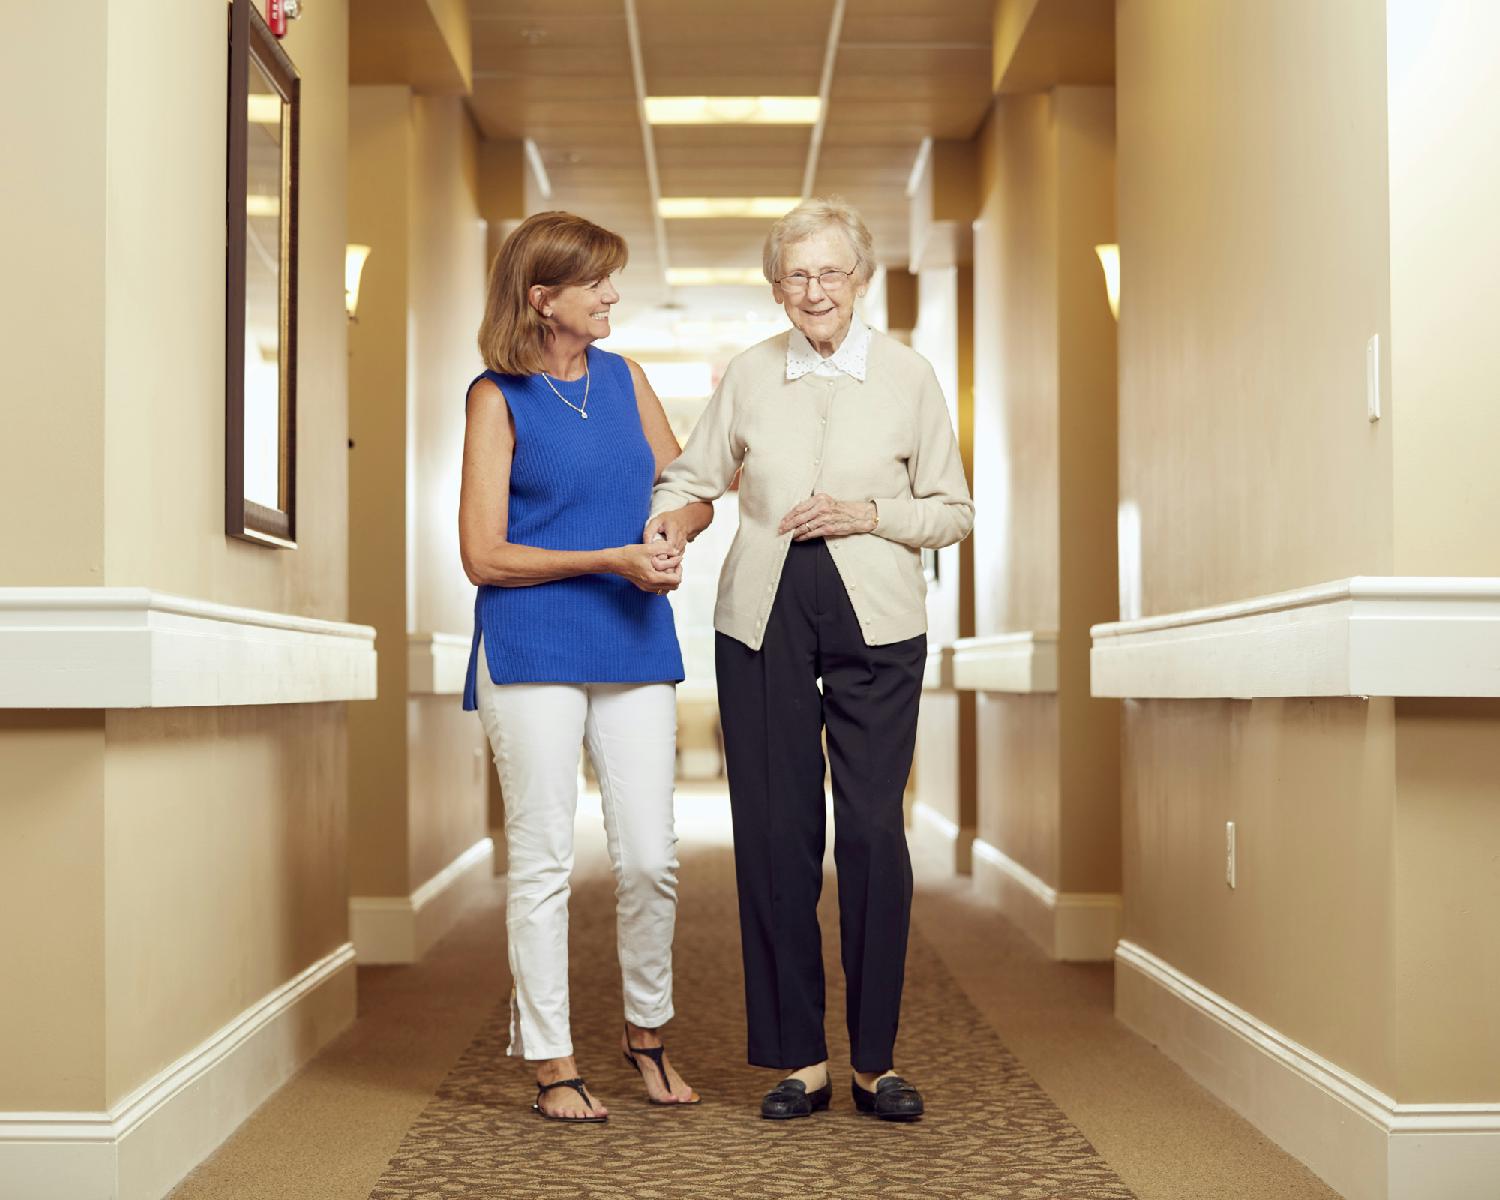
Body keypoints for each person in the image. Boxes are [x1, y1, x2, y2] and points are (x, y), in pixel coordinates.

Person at [647, 197, 974, 1122]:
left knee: (872, 831)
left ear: (860, 279)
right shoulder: (750, 376)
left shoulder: (909, 377)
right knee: (776, 836)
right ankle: (800, 1059)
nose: (814, 290)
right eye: (796, 275)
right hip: (763, 618)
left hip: (879, 616)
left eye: (831, 272)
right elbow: (689, 475)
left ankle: (876, 1060)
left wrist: (872, 515)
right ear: (777, 288)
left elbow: (953, 511)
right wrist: (667, 520)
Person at [459, 211, 713, 1122]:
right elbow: (484, 556)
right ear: (543, 299)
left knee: (650, 857)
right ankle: (552, 1060)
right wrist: (607, 558)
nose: (613, 296)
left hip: (633, 637)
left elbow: (685, 490)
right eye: (597, 283)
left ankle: (646, 1034)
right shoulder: (496, 397)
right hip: (531, 645)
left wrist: (666, 529)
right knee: (545, 859)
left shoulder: (626, 379)